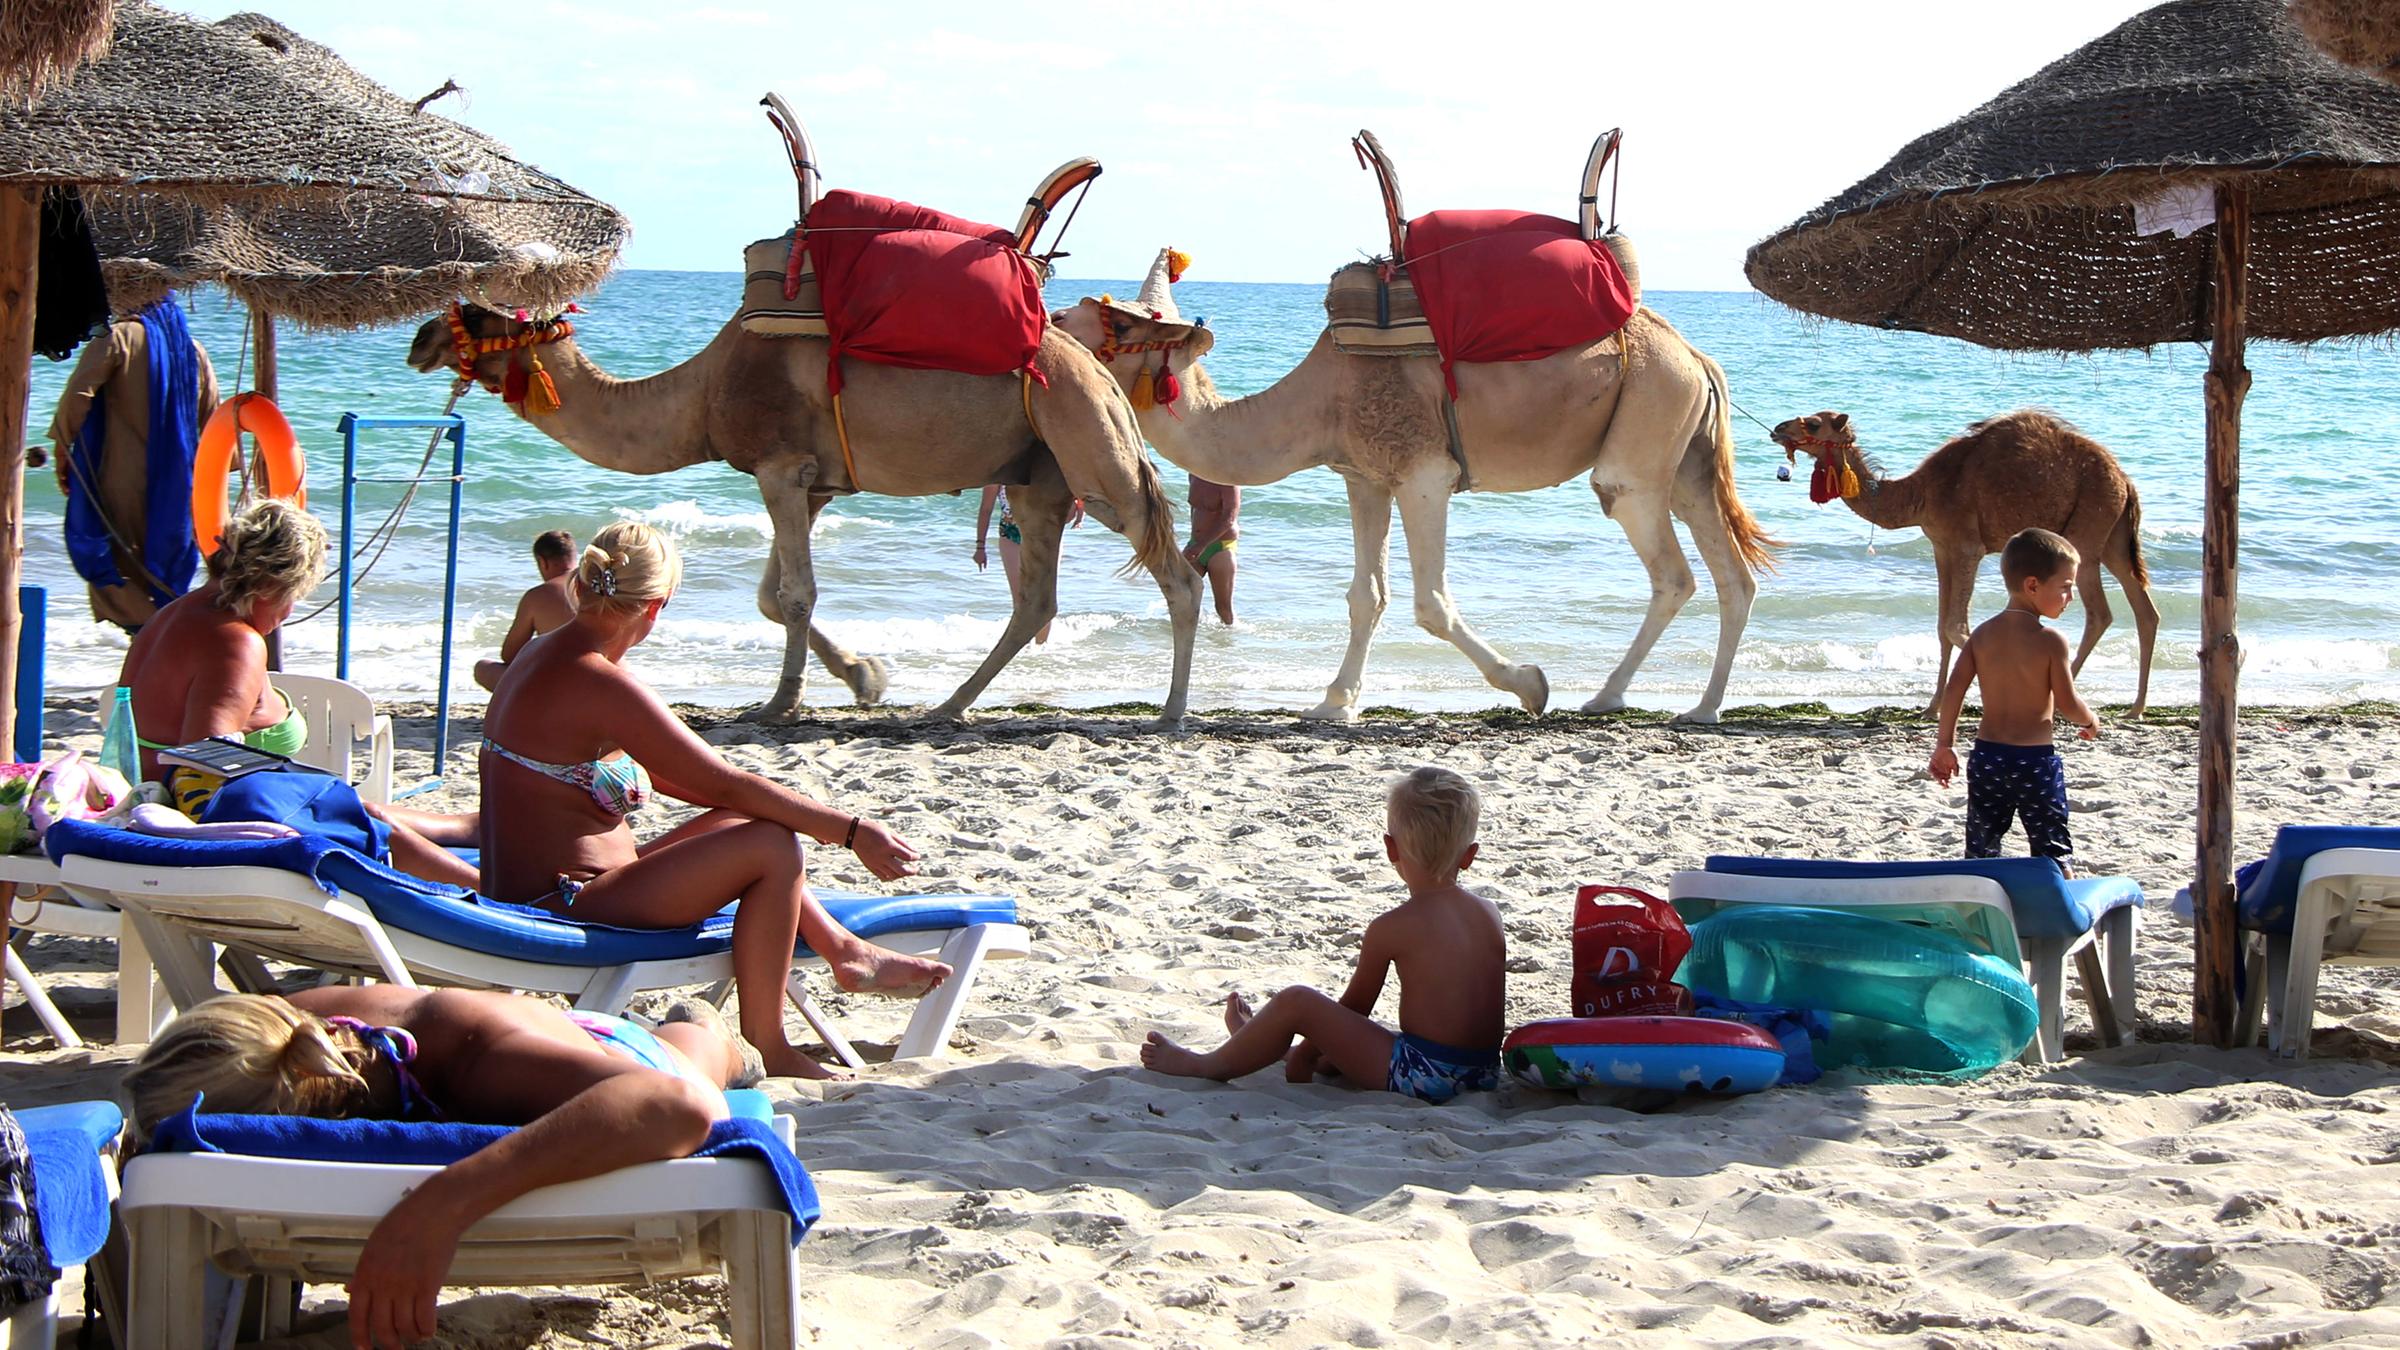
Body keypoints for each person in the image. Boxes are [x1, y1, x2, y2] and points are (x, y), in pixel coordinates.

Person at [374, 521, 949, 1079]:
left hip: (555, 886)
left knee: (747, 818)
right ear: (657, 605)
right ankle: (769, 1045)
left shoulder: (542, 654)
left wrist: (812, 819)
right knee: (772, 843)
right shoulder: (598, 681)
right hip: (566, 902)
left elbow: (699, 785)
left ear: (580, 585)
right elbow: (719, 778)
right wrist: (850, 829)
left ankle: (843, 949)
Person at [121, 987, 759, 1349]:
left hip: (615, 1054)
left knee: (696, 1059)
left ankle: (708, 1031)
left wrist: (442, 1203)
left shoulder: (478, 1063)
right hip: (548, 1038)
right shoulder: (274, 1030)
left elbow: (681, 1106)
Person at [1139, 766, 1504, 1103]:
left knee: (1299, 1003)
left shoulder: (1392, 927)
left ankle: (1207, 1065)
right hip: (1483, 1074)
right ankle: (1271, 1045)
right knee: (1342, 1046)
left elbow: (1355, 1008)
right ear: (1470, 855)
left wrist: (1305, 1061)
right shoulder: (1489, 913)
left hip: (1424, 1076)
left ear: (1390, 848)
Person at [116, 498, 324, 797]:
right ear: (273, 586)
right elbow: (200, 775)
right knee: (382, 821)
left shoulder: (170, 615)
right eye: (294, 596)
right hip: (194, 817)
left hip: (142, 796)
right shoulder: (236, 643)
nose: (287, 613)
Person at [1929, 527, 2102, 875]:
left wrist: (1944, 744)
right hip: (2034, 764)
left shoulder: (1982, 634)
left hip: (1988, 758)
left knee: (1982, 845)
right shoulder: (2050, 640)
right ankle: (2059, 910)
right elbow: (2067, 702)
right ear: (2033, 586)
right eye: (2066, 587)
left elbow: (1954, 688)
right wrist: (2089, 720)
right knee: (2051, 848)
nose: (2071, 597)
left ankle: (1980, 906)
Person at [49, 295, 220, 631]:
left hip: (120, 478)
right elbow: (213, 422)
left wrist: (62, 451)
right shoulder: (193, 350)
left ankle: (142, 648)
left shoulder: (116, 337)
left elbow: (78, 397)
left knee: (114, 565)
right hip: (178, 485)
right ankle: (164, 640)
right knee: (163, 573)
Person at [473, 528, 580, 691]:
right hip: (600, 687)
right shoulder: (599, 588)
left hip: (555, 692)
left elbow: (510, 655)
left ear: (543, 562)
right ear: (574, 557)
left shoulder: (537, 595)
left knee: (482, 668)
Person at [972, 486, 1081, 644]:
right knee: (1021, 602)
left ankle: (1040, 650)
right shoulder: (999, 473)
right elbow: (986, 509)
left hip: (1045, 537)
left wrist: (1079, 506)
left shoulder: (1040, 471)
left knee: (1044, 600)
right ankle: (1023, 649)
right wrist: (980, 546)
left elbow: (1068, 498)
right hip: (1011, 535)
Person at [1183, 473, 1240, 625]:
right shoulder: (1194, 474)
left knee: (1223, 608)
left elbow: (1229, 518)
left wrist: (1201, 546)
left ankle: (1227, 644)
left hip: (1220, 548)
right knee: (1181, 599)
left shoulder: (1228, 479)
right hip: (1195, 544)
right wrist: (1194, 541)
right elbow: (1195, 510)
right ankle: (1191, 639)